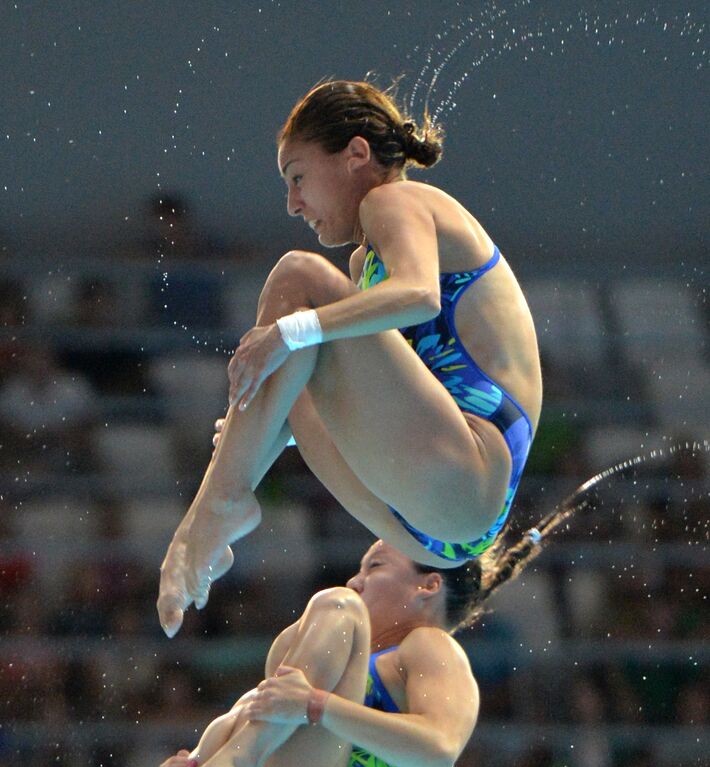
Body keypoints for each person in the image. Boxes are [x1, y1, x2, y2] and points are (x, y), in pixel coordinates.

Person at [41, 474, 593, 767]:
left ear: (428, 586)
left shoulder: (433, 650)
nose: (357, 577)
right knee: (295, 651)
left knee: (335, 611)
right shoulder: (340, 664)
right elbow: (262, 713)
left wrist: (317, 705)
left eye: (375, 567)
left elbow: (440, 748)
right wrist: (197, 764)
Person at [157, 79, 542, 637]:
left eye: (297, 177)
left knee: (298, 277)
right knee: (285, 382)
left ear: (356, 154)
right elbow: (389, 396)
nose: (293, 204)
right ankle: (223, 503)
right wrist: (263, 430)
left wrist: (291, 331)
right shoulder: (366, 264)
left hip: (471, 470)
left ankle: (213, 513)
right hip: (431, 520)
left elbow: (420, 294)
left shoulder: (398, 201)